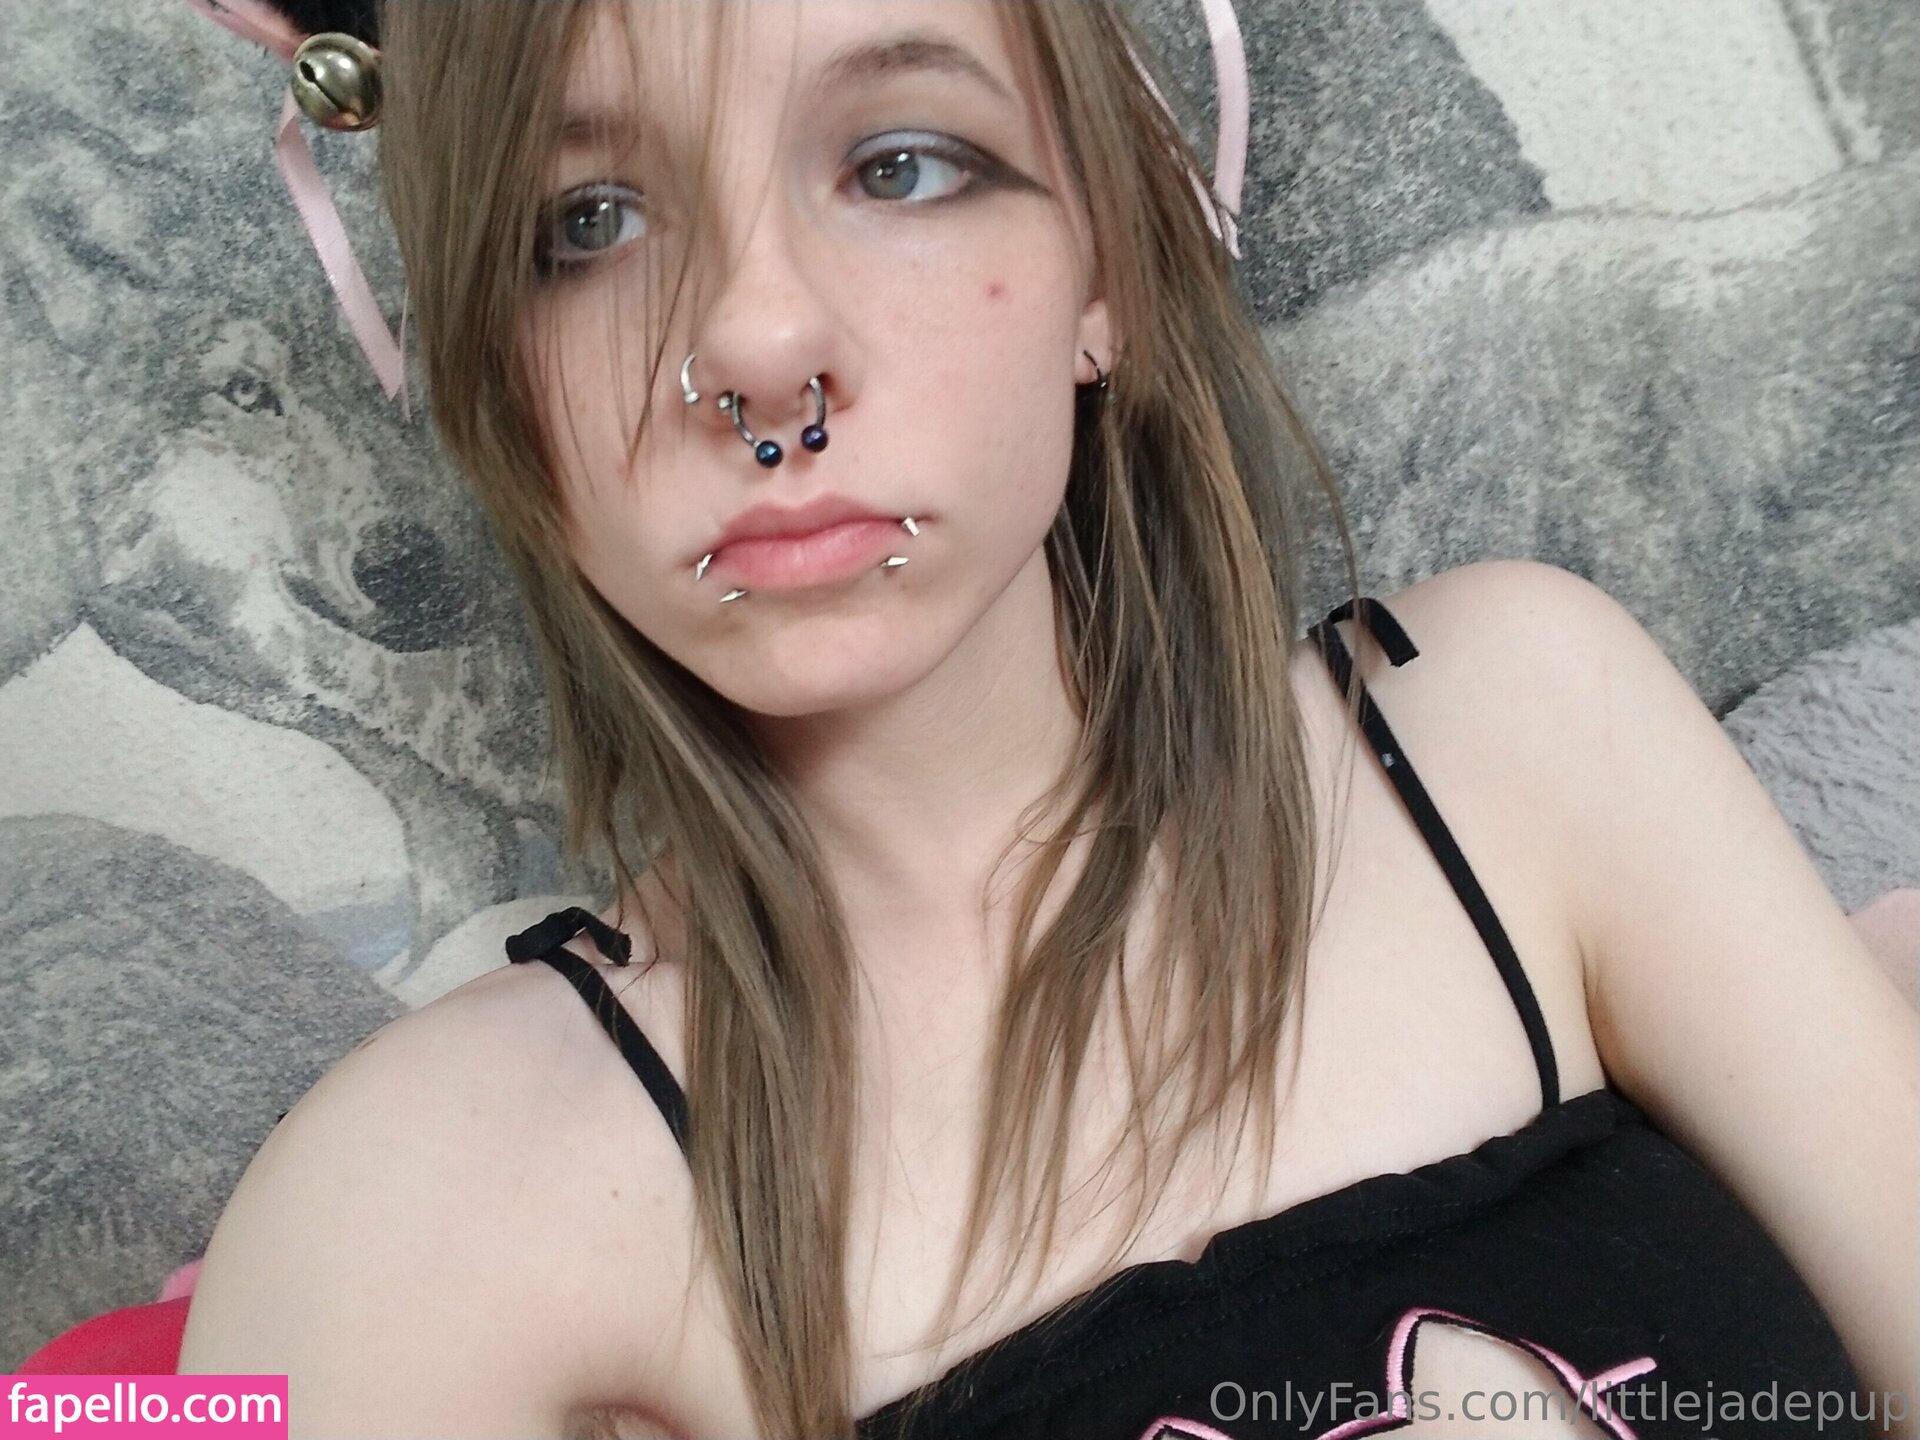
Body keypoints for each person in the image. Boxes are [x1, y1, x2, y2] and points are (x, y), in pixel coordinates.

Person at [175, 1, 1919, 1436]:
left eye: (900, 164)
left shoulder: (1523, 730)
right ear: (495, 374)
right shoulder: (413, 1216)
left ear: (1105, 270)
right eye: (589, 223)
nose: (759, 346)